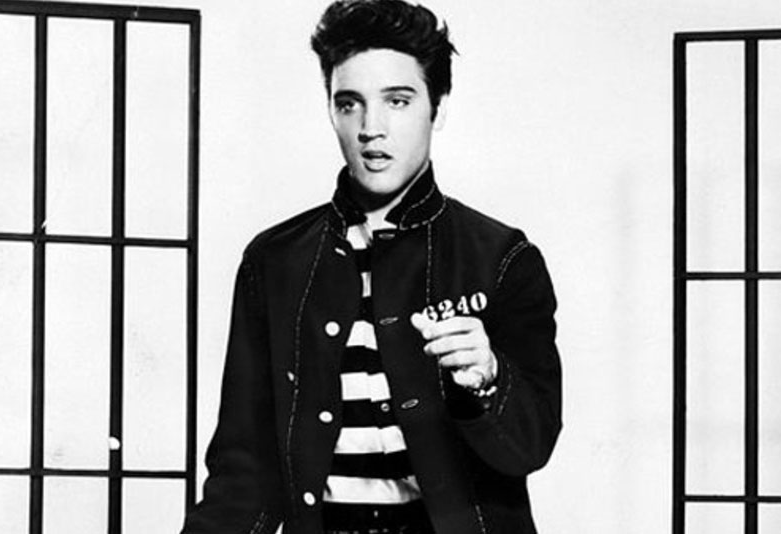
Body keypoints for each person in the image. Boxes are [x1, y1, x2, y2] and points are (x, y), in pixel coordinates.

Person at [181, 1, 561, 533]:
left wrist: (488, 381)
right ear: (330, 110)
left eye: (397, 101)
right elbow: (242, 472)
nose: (370, 128)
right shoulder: (274, 261)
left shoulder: (502, 258)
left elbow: (531, 447)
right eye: (349, 104)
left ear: (438, 108)